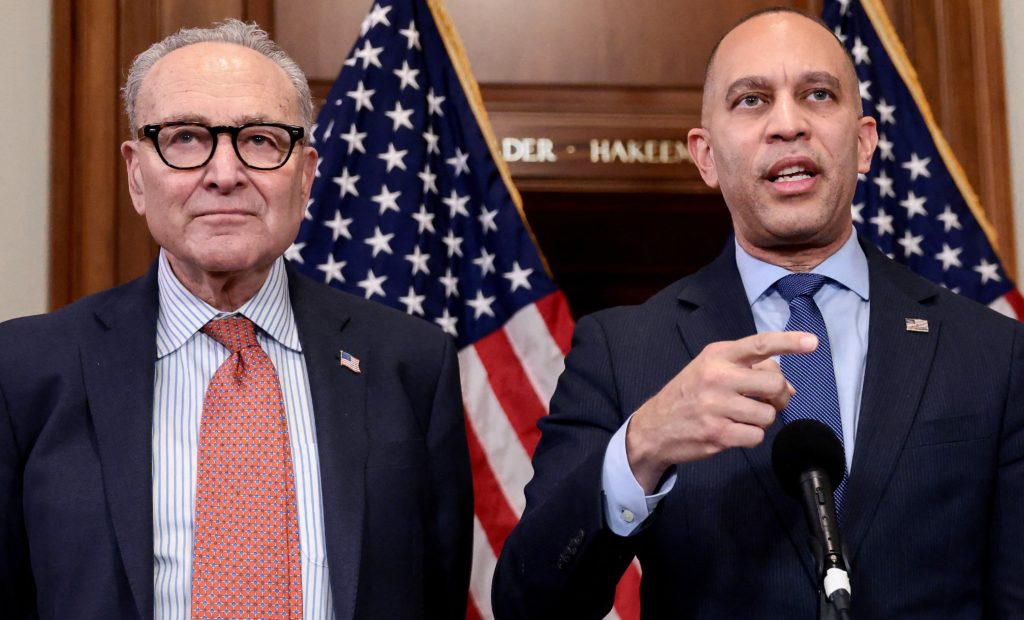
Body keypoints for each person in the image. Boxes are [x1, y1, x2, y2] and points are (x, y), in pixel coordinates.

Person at [492, 8, 1024, 618]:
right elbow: (528, 602)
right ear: (706, 157)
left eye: (817, 94)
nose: (788, 124)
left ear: (863, 143)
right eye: (752, 100)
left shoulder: (993, 352)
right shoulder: (622, 351)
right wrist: (642, 447)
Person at [0, 19, 472, 619]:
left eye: (260, 140)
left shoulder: (412, 362)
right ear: (136, 175)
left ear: (306, 176)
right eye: (185, 137)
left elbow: (437, 590)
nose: (225, 174)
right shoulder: (24, 369)